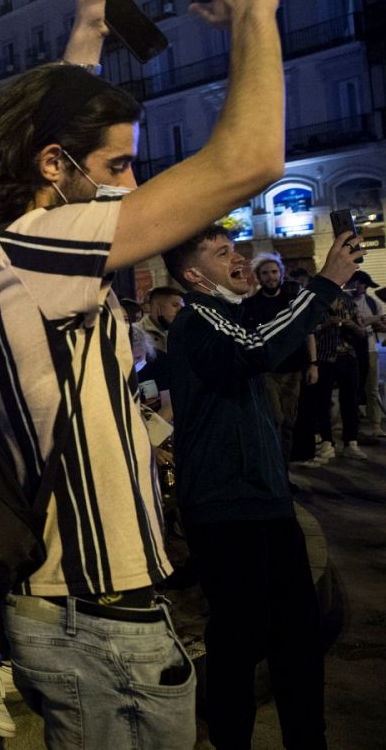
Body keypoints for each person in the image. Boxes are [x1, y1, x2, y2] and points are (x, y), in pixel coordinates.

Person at [0, 0, 285, 748]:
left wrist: (87, 35)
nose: (132, 188)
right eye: (123, 168)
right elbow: (252, 158)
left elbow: (60, 150)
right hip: (100, 621)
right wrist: (255, 17)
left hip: (65, 612)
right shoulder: (39, 248)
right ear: (59, 169)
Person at [162, 225, 359, 749]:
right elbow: (259, 349)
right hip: (227, 508)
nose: (241, 258)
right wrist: (326, 284)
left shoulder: (231, 315)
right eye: (223, 252)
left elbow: (276, 336)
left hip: (264, 502)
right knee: (240, 641)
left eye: (239, 250)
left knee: (297, 638)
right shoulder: (197, 319)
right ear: (193, 276)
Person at [244, 254, 315, 460]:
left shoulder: (291, 300)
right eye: (265, 273)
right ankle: (274, 471)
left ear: (281, 273)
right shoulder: (251, 305)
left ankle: (284, 473)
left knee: (289, 424)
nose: (270, 277)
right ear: (258, 276)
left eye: (274, 272)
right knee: (274, 419)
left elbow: (307, 331)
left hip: (293, 370)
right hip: (268, 371)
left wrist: (313, 364)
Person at [302, 295, 367, 463]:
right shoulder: (316, 303)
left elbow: (362, 332)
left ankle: (350, 443)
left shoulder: (349, 303)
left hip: (347, 356)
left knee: (350, 401)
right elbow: (306, 331)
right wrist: (326, 324)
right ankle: (326, 442)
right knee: (322, 402)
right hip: (324, 358)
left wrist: (350, 324)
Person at [344, 271, 386, 440]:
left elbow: (379, 326)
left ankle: (376, 425)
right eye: (361, 283)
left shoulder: (372, 303)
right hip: (349, 351)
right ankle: (355, 427)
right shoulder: (343, 301)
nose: (363, 288)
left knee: (372, 389)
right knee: (351, 390)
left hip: (370, 350)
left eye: (365, 285)